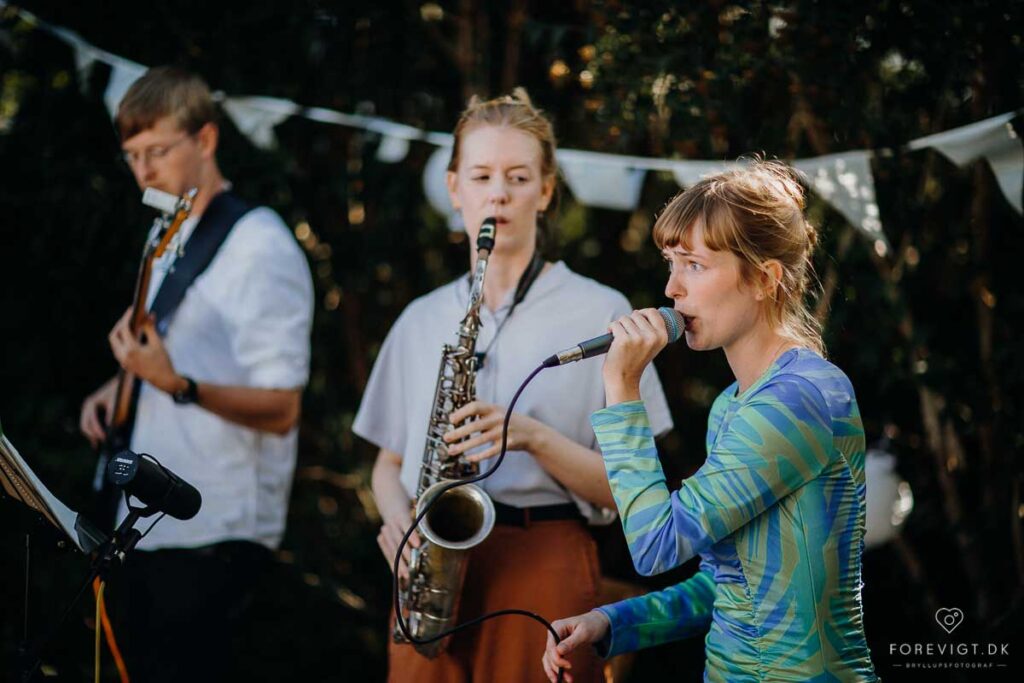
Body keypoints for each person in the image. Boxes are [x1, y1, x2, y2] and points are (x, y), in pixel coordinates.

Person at [353, 89, 673, 683]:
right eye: (480, 175)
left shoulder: (601, 309)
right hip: (428, 572)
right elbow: (386, 462)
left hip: (543, 557)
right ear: (454, 189)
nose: (497, 192)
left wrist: (532, 437)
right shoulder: (420, 318)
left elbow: (636, 493)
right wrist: (398, 524)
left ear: (546, 190)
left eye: (518, 177)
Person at [542, 161, 878, 682]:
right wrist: (611, 620)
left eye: (694, 265)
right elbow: (729, 585)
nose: (672, 288)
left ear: (765, 278)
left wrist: (624, 389)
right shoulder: (732, 405)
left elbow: (657, 546)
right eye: (670, 263)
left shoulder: (799, 400)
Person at [78, 67, 313, 683]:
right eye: (132, 156)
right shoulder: (167, 240)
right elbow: (170, 357)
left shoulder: (260, 246)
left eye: (157, 151)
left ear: (205, 140)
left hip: (215, 525)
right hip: (146, 525)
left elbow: (283, 405)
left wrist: (175, 385)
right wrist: (120, 386)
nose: (144, 171)